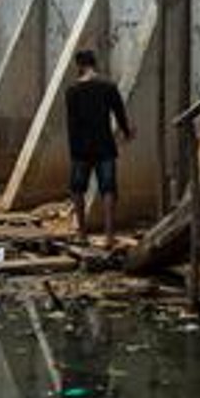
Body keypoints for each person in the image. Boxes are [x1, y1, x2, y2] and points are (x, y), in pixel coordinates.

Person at [65, 49, 134, 249]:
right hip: (104, 145)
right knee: (108, 189)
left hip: (81, 148)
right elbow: (120, 115)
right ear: (94, 64)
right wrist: (127, 133)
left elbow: (72, 124)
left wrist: (74, 152)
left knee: (78, 189)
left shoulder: (72, 91)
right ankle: (109, 237)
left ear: (79, 66)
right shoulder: (108, 87)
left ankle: (82, 235)